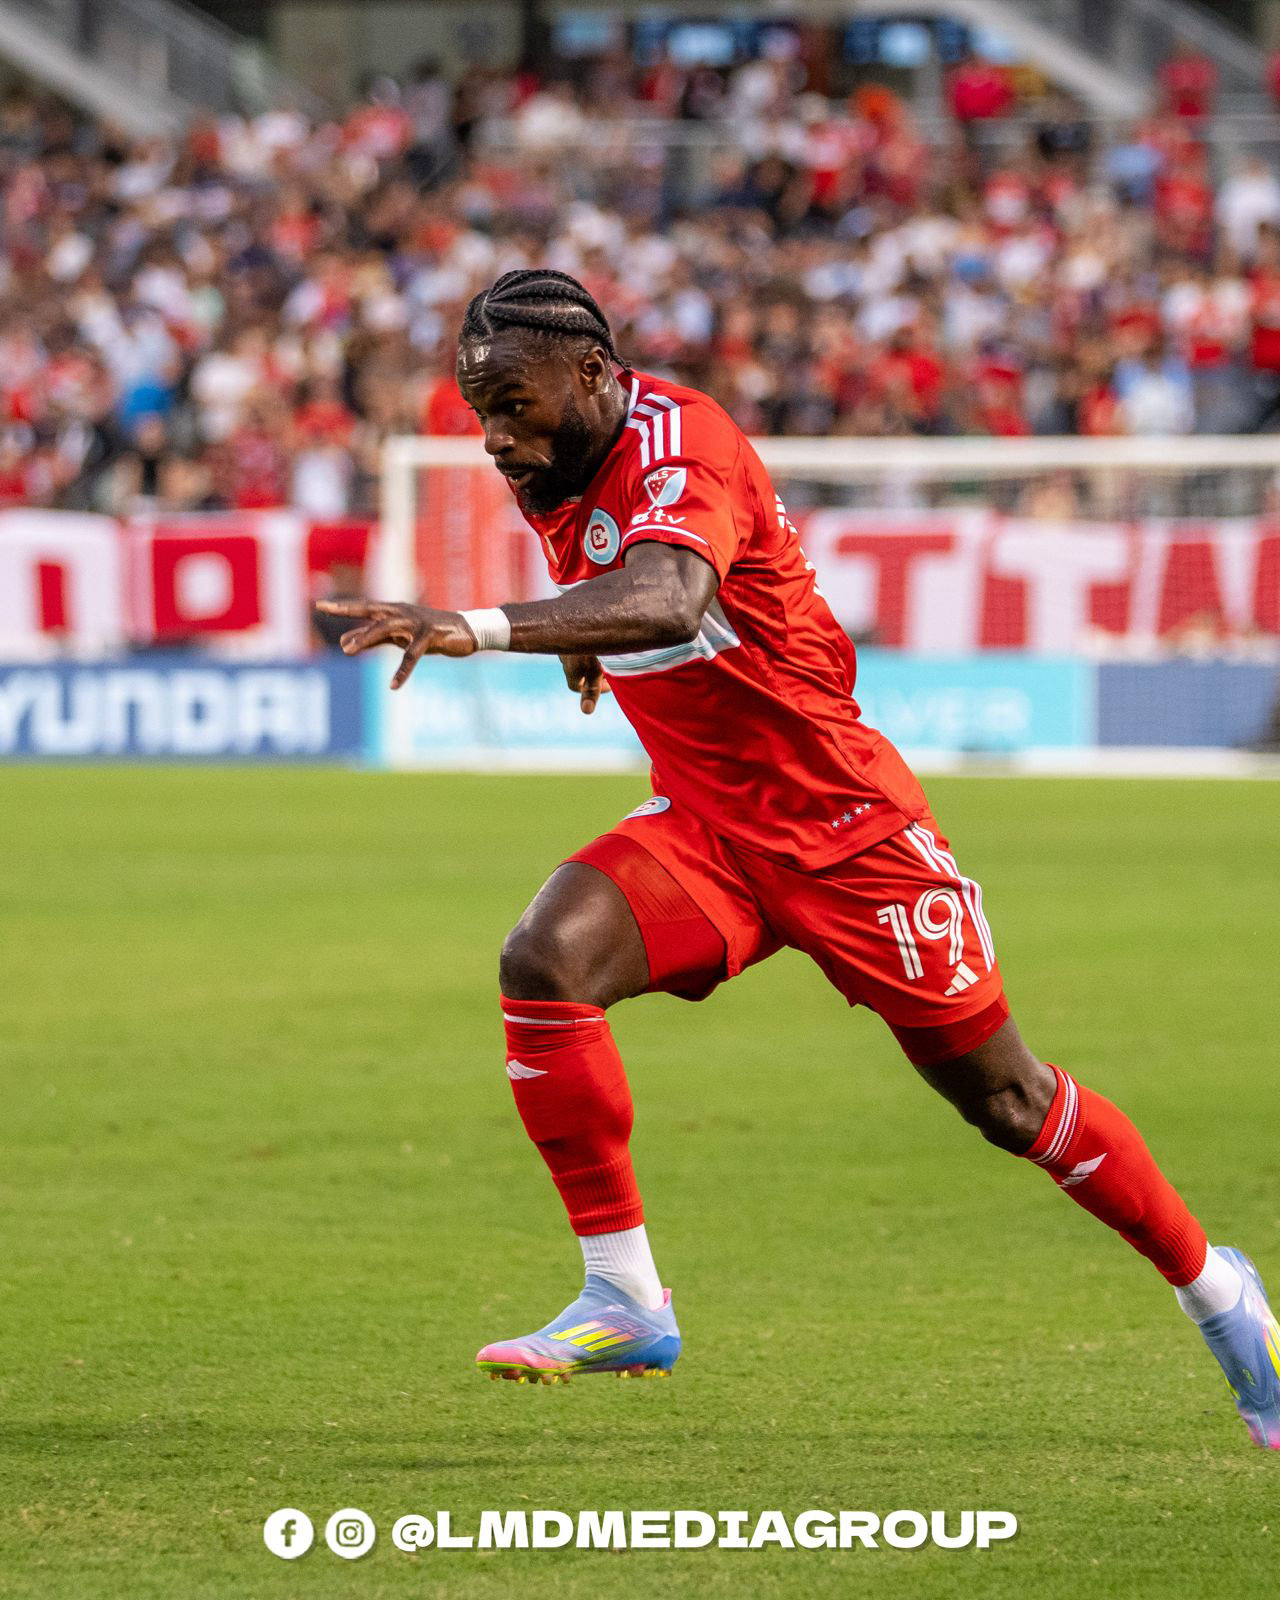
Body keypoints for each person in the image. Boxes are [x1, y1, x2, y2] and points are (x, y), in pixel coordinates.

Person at [318, 270, 1280, 1444]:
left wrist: (476, 627)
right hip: (708, 827)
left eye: (512, 405)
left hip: (844, 831)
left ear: (592, 374)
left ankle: (1215, 1288)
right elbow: (620, 585)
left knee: (1006, 1099)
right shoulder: (552, 461)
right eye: (481, 410)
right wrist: (583, 643)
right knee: (544, 959)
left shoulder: (683, 444)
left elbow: (669, 595)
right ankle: (624, 1296)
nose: (493, 437)